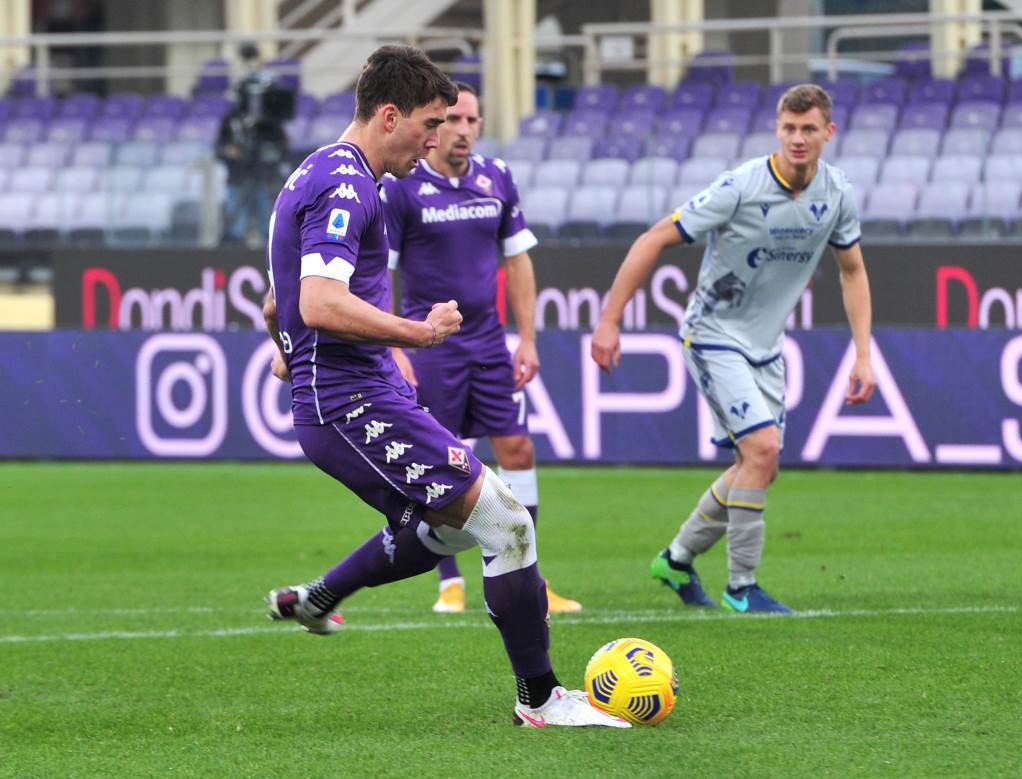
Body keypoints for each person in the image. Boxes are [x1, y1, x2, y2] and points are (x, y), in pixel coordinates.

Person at [263, 45, 626, 728]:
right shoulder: (347, 184)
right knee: (507, 523)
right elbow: (315, 301)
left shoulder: (322, 173)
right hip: (350, 402)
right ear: (391, 115)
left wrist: (289, 352)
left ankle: (317, 596)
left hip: (355, 393)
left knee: (445, 528)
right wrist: (415, 334)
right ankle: (542, 700)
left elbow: (279, 304)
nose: (437, 139)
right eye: (430, 124)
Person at [591, 84, 876, 614]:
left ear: (828, 133)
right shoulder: (740, 187)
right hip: (714, 336)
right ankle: (742, 587)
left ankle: (675, 561)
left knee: (757, 465)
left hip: (767, 347)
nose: (797, 138)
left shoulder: (837, 193)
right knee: (762, 451)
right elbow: (653, 238)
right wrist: (610, 320)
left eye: (809, 129)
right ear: (777, 129)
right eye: (789, 128)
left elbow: (853, 271)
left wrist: (864, 354)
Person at [381, 82, 582, 615]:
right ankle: (450, 580)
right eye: (454, 120)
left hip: (491, 344)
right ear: (435, 124)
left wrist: (530, 339)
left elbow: (517, 261)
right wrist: (395, 343)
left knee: (517, 450)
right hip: (433, 348)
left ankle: (531, 581)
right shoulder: (402, 189)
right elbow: (382, 271)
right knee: (444, 460)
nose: (465, 130)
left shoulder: (497, 179)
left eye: (473, 120)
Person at [216, 43, 291, 245]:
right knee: (236, 228)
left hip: (265, 175)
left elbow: (282, 145)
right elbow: (218, 147)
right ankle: (233, 251)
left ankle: (271, 263)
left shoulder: (271, 124)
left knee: (270, 227)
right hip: (238, 176)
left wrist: (279, 145)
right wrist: (228, 151)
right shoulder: (231, 119)